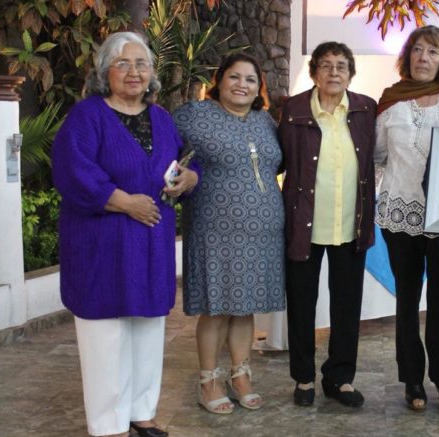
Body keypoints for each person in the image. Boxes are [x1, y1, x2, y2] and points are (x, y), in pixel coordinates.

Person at [52, 31, 198, 437]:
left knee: (148, 331)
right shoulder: (87, 117)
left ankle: (141, 413)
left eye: (141, 64)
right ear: (105, 72)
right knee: (106, 337)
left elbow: (185, 161)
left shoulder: (161, 118)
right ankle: (108, 424)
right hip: (101, 243)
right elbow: (72, 170)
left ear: (152, 73)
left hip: (150, 244)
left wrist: (189, 178)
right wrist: (121, 201)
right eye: (123, 63)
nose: (134, 72)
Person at [173, 52, 285, 414]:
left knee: (244, 307)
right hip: (215, 229)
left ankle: (241, 376)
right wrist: (184, 178)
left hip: (263, 233)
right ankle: (208, 381)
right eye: (234, 76)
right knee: (216, 307)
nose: (242, 85)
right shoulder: (194, 115)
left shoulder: (265, 121)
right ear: (219, 80)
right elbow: (165, 154)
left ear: (258, 88)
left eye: (250, 79)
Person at [278, 41, 376, 408]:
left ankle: (340, 378)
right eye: (326, 65)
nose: (334, 72)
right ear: (314, 72)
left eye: (341, 65)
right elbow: (276, 159)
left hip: (351, 225)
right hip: (304, 224)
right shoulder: (294, 109)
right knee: (302, 304)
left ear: (351, 73)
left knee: (347, 306)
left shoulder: (366, 108)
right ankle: (303, 377)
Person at [375, 25, 439, 411]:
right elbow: (376, 153)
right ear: (407, 55)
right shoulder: (391, 100)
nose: (424, 58)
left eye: (433, 52)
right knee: (407, 300)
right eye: (418, 50)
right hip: (399, 212)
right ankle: (412, 379)